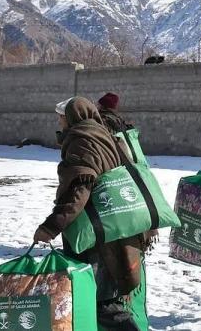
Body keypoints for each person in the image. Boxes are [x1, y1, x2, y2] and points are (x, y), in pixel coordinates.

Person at [34, 97, 153, 329]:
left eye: (61, 117)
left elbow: (79, 192)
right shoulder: (102, 135)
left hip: (95, 236)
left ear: (72, 117)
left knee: (103, 302)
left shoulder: (82, 142)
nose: (59, 122)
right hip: (112, 227)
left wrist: (50, 227)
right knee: (105, 299)